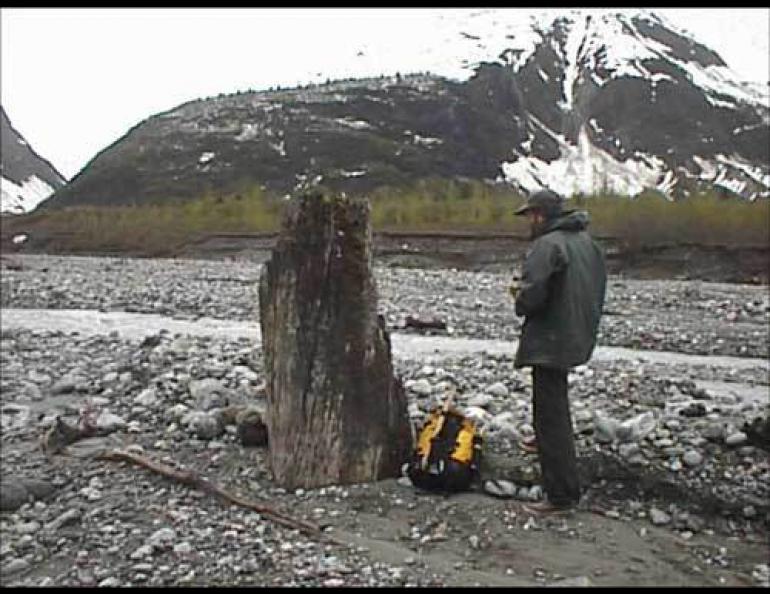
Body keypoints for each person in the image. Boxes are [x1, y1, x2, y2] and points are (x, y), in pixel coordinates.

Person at [509, 189, 607, 514]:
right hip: (576, 333)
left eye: (530, 217)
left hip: (550, 339)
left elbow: (532, 297)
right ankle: (545, 443)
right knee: (555, 402)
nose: (528, 223)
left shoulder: (547, 245)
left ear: (540, 215)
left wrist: (518, 296)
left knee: (549, 412)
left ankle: (561, 495)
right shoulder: (587, 243)